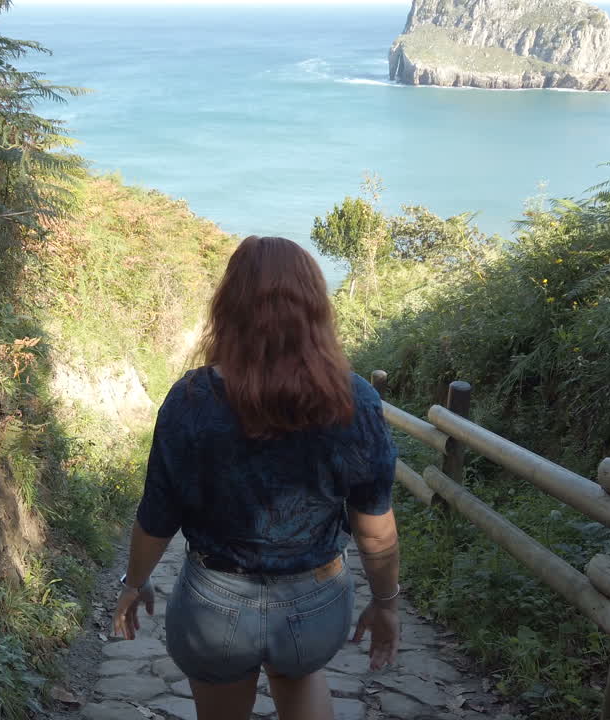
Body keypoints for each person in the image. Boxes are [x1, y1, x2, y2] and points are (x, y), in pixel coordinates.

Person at [111, 236, 402, 720]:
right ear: (315, 310)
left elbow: (158, 514)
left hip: (215, 603)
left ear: (230, 307)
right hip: (316, 599)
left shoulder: (192, 399)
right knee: (302, 674)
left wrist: (134, 582)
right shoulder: (354, 400)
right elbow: (375, 527)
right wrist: (386, 602)